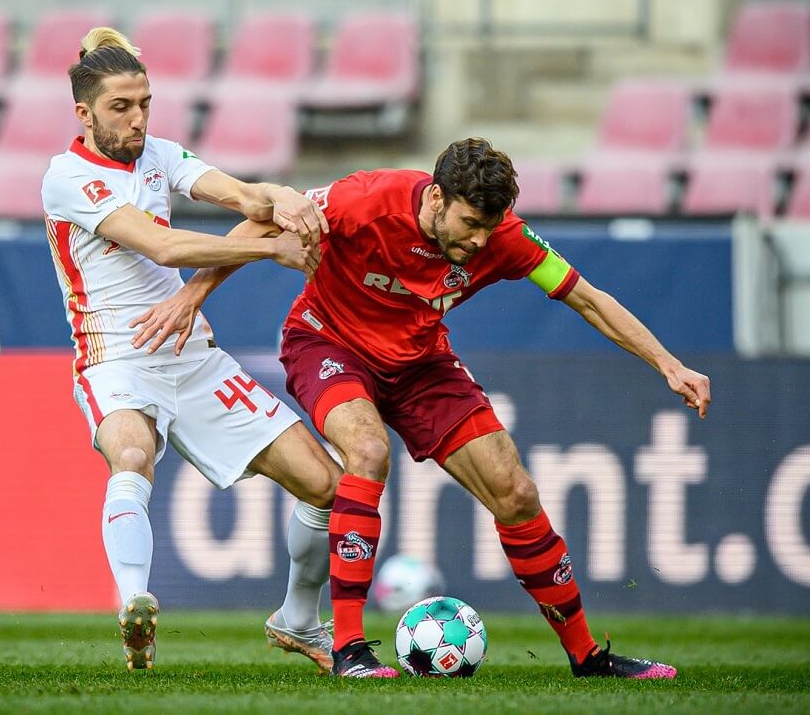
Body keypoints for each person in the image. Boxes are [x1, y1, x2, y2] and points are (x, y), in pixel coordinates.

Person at [133, 138, 711, 679]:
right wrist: (192, 292)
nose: (481, 241)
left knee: (515, 492)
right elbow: (263, 218)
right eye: (470, 223)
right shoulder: (363, 201)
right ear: (436, 197)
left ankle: (587, 657)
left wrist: (668, 364)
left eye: (490, 226)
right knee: (366, 451)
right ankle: (350, 650)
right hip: (327, 342)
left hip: (421, 364)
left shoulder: (504, 237)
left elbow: (588, 297)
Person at [41, 27, 343, 673]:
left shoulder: (160, 154)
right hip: (116, 354)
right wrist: (269, 247)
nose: (137, 118)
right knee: (131, 453)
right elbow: (165, 247)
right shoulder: (67, 178)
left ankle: (298, 620)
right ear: (84, 114)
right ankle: (134, 607)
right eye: (121, 107)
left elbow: (241, 195)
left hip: (192, 355)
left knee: (324, 484)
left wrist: (280, 200)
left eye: (145, 102)